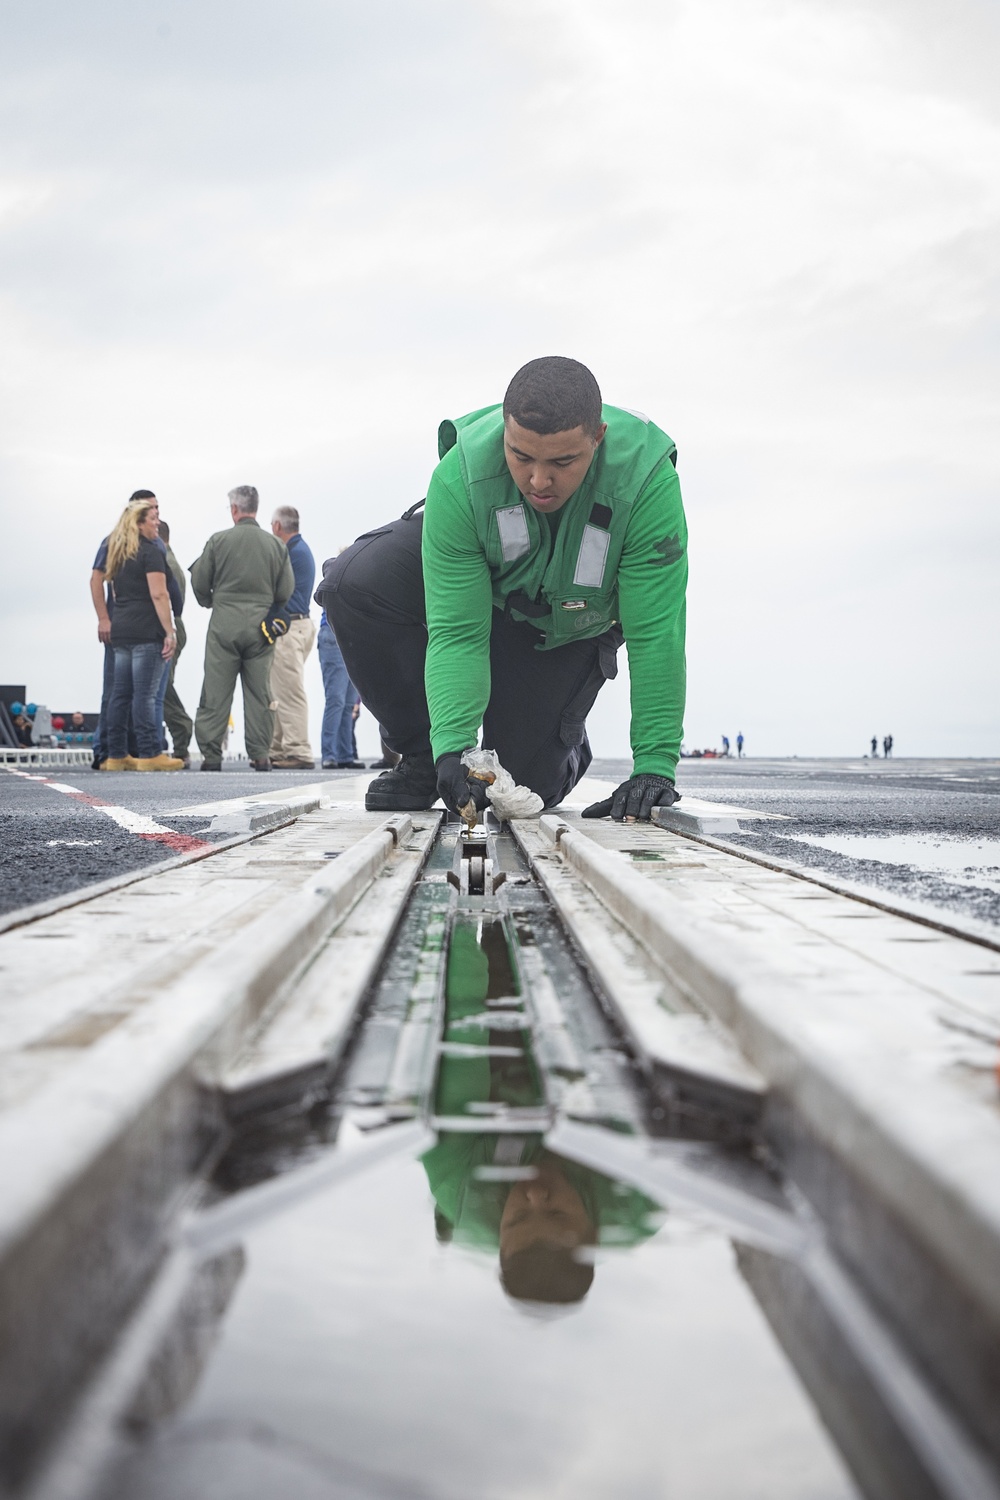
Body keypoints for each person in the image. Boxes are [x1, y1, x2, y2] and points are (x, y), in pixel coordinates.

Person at [318, 357, 687, 823]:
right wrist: (452, 749)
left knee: (526, 784)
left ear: (597, 439)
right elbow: (457, 632)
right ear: (505, 435)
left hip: (568, 629)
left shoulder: (646, 483)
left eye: (562, 461)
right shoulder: (462, 477)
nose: (538, 480)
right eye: (521, 456)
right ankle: (422, 757)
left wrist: (654, 767)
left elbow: (657, 633)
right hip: (486, 603)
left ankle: (561, 735)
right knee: (357, 583)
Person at [190, 485, 294, 772]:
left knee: (215, 691)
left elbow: (199, 583)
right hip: (261, 628)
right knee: (259, 692)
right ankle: (260, 755)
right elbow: (286, 591)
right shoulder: (275, 546)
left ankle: (211, 756)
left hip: (224, 624)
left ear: (234, 509)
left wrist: (212, 601)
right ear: (255, 509)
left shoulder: (218, 541)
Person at [101, 497, 183, 771]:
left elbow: (111, 590)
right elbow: (159, 594)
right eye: (152, 519)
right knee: (145, 695)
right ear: (138, 523)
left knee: (120, 694)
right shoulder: (150, 552)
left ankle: (116, 755)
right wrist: (169, 632)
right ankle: (149, 753)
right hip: (146, 632)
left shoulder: (118, 552)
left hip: (121, 630)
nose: (157, 523)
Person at [268, 506, 317, 770]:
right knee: (280, 690)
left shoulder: (291, 553)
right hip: (300, 625)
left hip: (290, 628)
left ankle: (298, 749)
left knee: (289, 693)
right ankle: (278, 749)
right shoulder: (300, 550)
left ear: (277, 526)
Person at [157, 520, 193, 767]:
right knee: (160, 686)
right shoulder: (169, 560)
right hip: (171, 626)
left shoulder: (166, 563)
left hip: (167, 627)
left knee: (161, 686)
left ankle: (181, 730)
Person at [317, 610, 364, 768]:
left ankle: (345, 755)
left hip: (356, 633)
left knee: (348, 703)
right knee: (336, 700)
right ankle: (329, 754)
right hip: (334, 631)